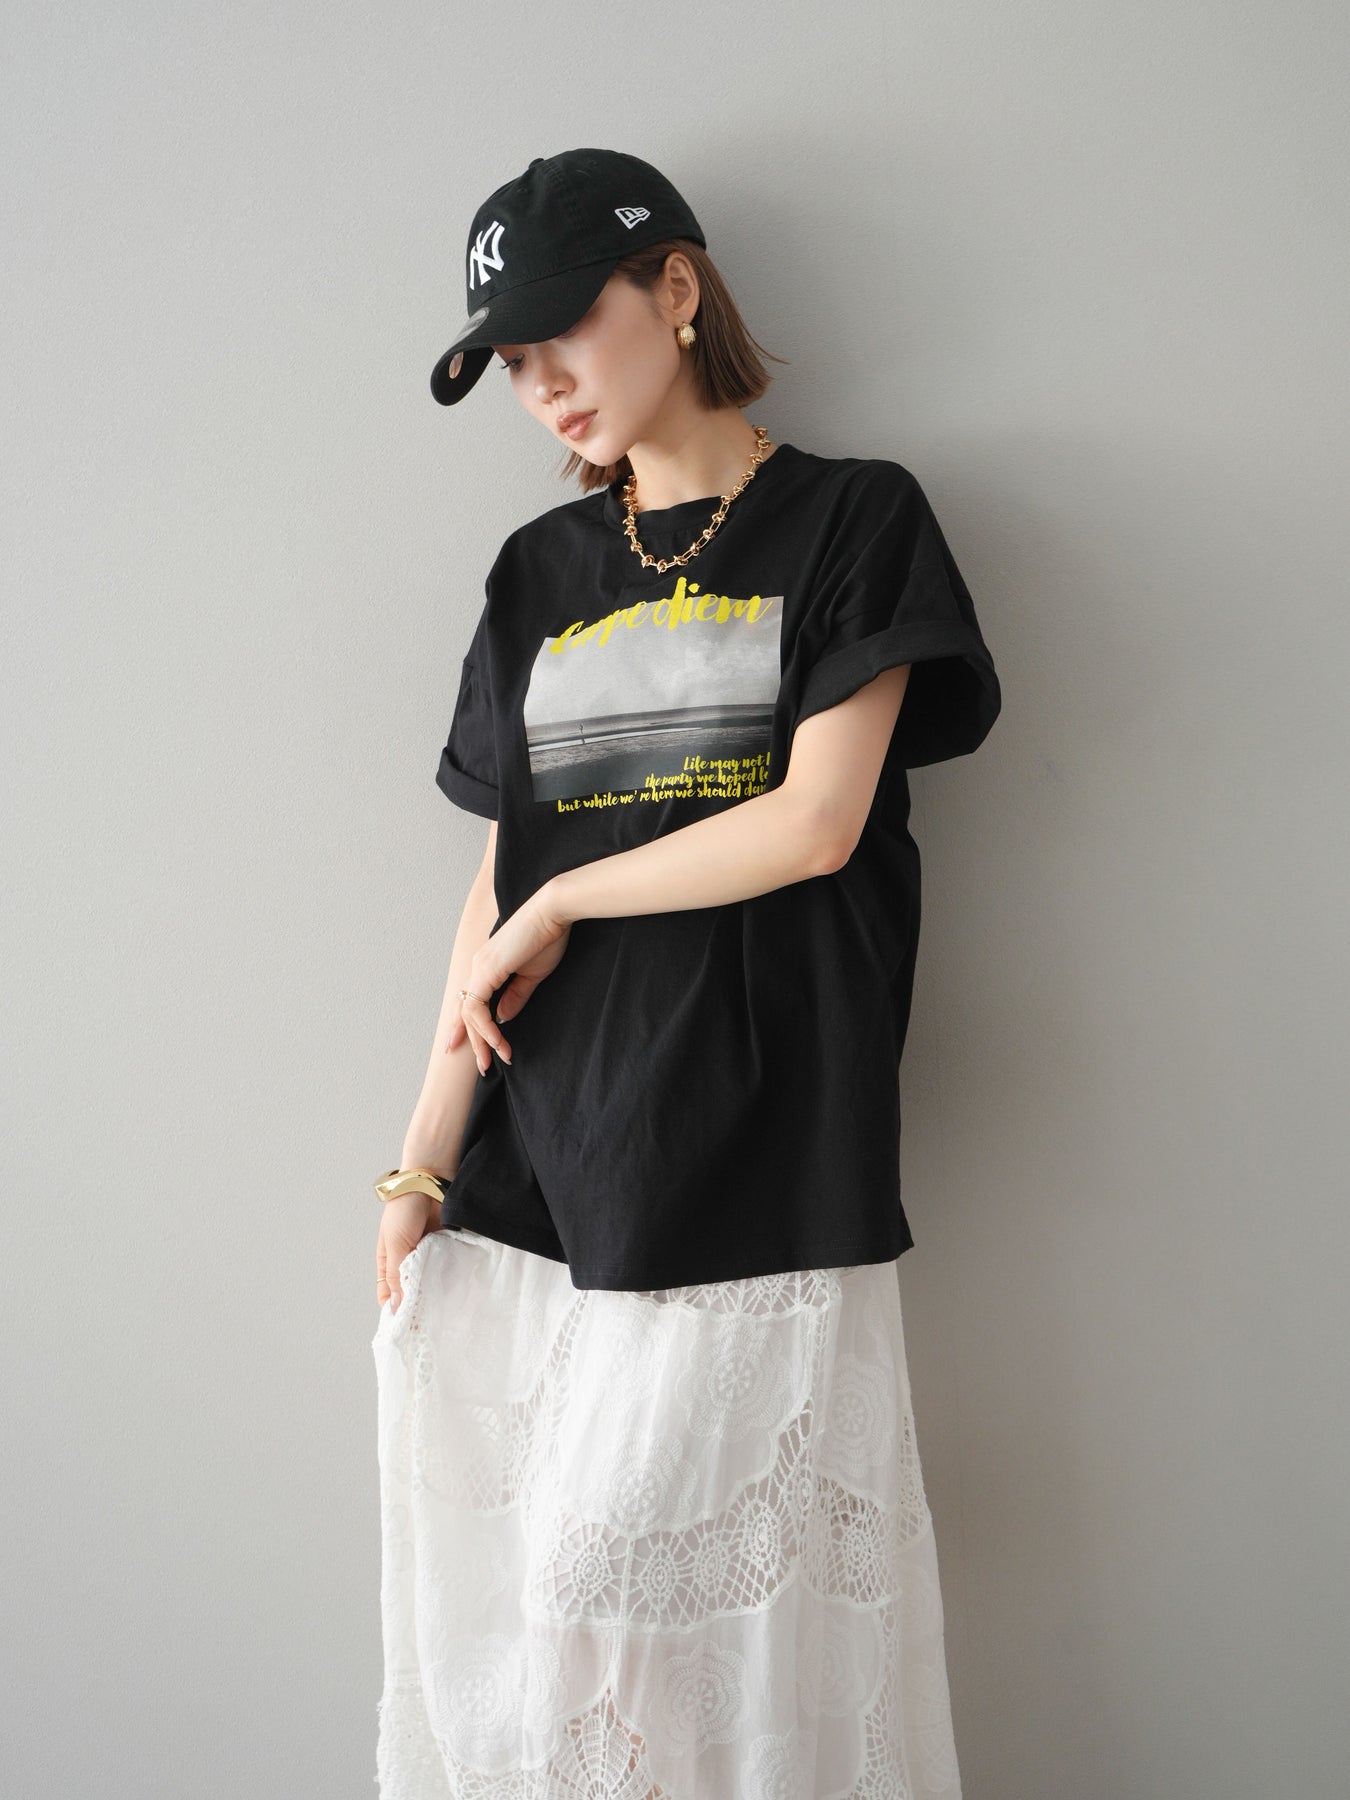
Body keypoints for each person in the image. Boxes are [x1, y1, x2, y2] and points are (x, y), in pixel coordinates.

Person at [371, 148, 1001, 1799]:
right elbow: (495, 881)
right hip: (548, 1154)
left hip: (754, 1143)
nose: (541, 384)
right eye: (510, 360)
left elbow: (815, 823)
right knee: (553, 1646)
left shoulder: (853, 520)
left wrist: (566, 907)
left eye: (559, 330)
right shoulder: (537, 574)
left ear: (673, 286)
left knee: (679, 1621)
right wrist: (420, 1159)